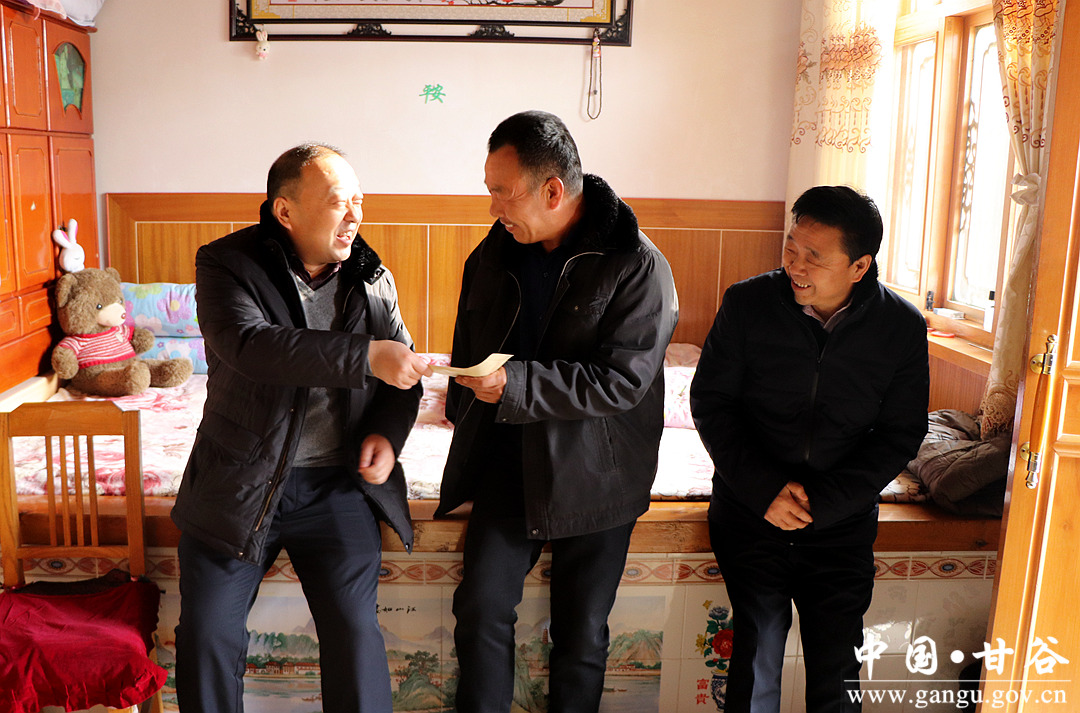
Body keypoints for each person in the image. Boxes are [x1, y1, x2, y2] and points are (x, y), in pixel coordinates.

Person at [171, 143, 432, 713]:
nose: (355, 216)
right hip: (239, 482)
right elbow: (253, 346)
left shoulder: (371, 278)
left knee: (355, 634)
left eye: (359, 201)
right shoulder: (226, 264)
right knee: (207, 634)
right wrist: (367, 356)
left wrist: (387, 436)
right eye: (339, 202)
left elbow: (403, 377)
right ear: (285, 211)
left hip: (336, 485)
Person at [436, 110, 679, 713]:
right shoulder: (492, 256)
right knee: (480, 609)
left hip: (600, 472)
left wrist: (515, 384)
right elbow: (469, 345)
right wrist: (464, 399)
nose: (493, 206)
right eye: (490, 189)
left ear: (552, 191)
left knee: (581, 635)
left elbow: (622, 381)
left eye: (503, 192)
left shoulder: (637, 263)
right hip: (509, 459)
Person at [690, 185, 929, 713]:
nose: (795, 266)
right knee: (756, 654)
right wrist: (765, 492)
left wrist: (824, 503)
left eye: (814, 257)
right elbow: (712, 403)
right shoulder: (747, 303)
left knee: (837, 666)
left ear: (859, 266)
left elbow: (900, 433)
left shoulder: (901, 327)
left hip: (840, 524)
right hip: (751, 512)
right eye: (791, 248)